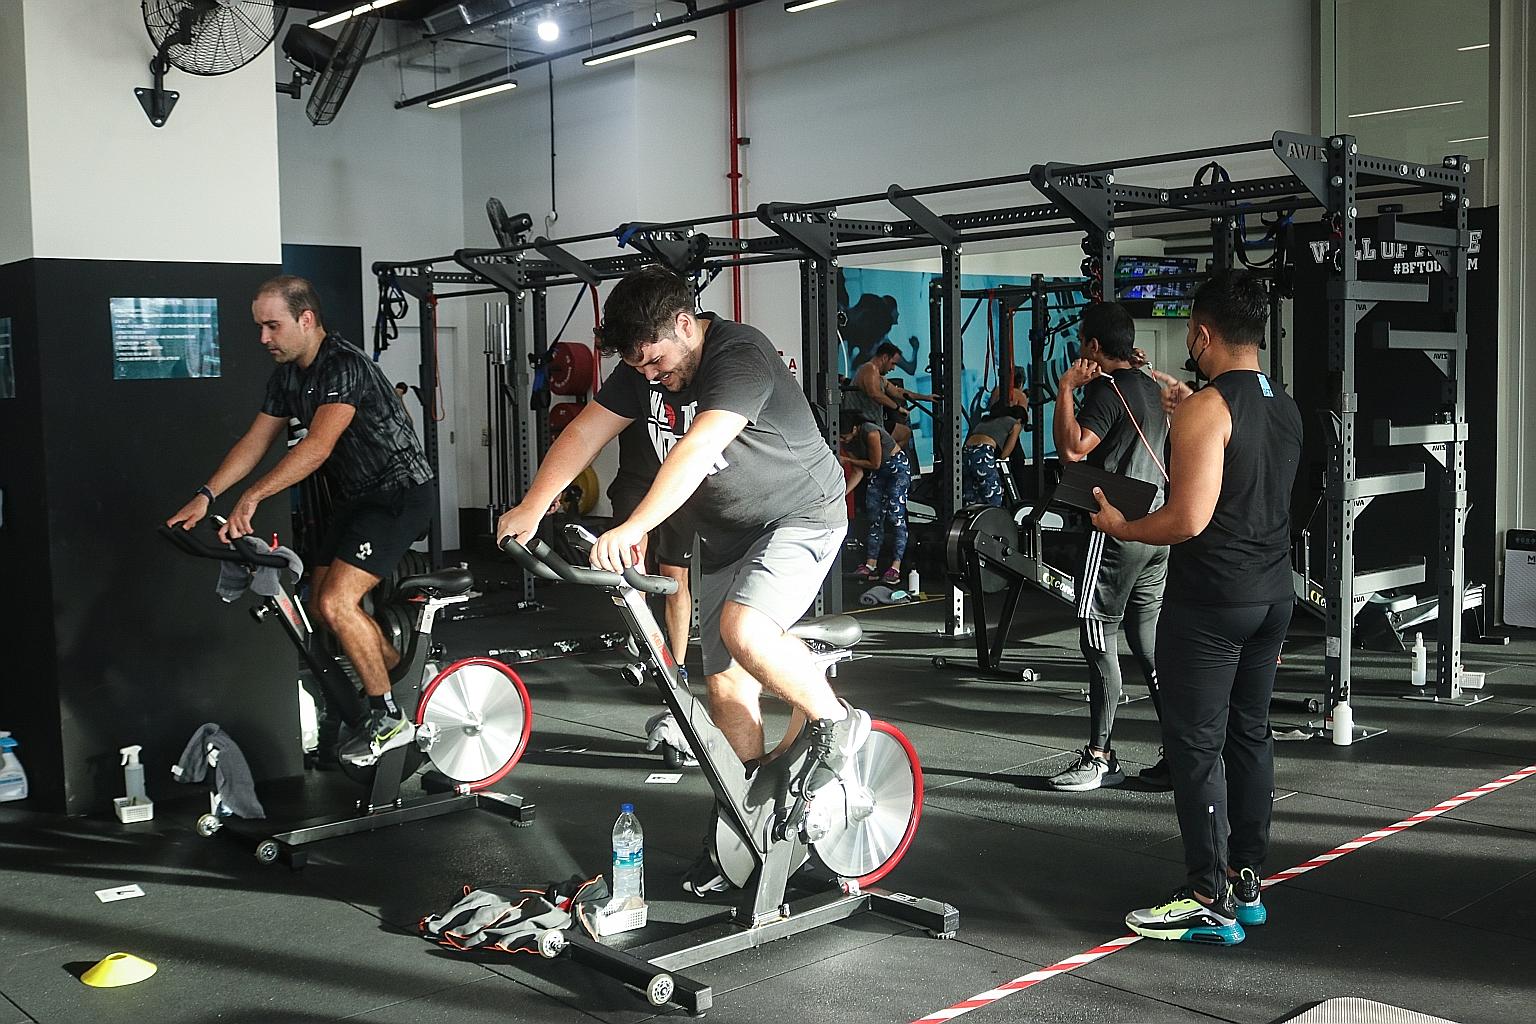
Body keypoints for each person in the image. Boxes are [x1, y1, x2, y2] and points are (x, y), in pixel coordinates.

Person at [496, 266, 870, 797]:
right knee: (723, 688)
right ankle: (754, 820)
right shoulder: (645, 366)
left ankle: (836, 724)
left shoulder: (740, 356)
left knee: (744, 631)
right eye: (638, 366)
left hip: (800, 514)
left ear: (685, 324)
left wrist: (633, 527)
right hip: (724, 534)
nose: (650, 375)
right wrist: (533, 506)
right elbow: (585, 431)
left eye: (655, 361)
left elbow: (697, 450)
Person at [1090, 271, 1302, 946]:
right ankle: (1246, 879)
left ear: (1202, 333)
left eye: (1190, 332)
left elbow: (1186, 519)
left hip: (1212, 602)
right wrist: (1193, 408)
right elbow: (1241, 467)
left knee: (1196, 746)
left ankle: (1207, 894)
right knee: (1250, 735)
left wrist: (1121, 527)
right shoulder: (1281, 402)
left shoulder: (1210, 408)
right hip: (1272, 596)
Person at [166, 275, 435, 766]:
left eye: (272, 326)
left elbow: (318, 446)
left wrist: (251, 498)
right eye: (260, 327)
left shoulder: (344, 366)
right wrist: (207, 495)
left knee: (336, 602)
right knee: (318, 602)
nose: (263, 338)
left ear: (306, 320)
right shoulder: (288, 376)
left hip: (398, 496)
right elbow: (254, 441)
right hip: (356, 499)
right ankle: (403, 684)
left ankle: (391, 715)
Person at [1048, 301, 1170, 792]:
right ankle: (1180, 752)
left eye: (1083, 340)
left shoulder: (1105, 390)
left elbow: (1075, 448)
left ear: (1094, 347)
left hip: (1116, 532)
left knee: (1097, 636)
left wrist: (1065, 389)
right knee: (1149, 643)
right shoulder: (1150, 386)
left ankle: (1100, 756)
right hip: (1157, 529)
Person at [608, 417, 695, 665]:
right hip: (634, 482)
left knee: (675, 577)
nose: (652, 374)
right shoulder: (629, 382)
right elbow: (591, 436)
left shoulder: (687, 383)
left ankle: (677, 668)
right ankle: (644, 640)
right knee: (633, 561)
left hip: (676, 483)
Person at [838, 415, 911, 584]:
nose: (842, 439)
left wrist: (848, 460)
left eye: (844, 436)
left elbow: (875, 463)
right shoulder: (849, 443)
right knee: (874, 517)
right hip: (878, 474)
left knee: (895, 517)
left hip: (896, 469)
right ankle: (871, 565)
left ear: (855, 429)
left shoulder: (870, 432)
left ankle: (896, 566)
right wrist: (843, 494)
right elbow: (858, 471)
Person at [848, 341, 937, 450]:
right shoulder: (869, 369)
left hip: (876, 423)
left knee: (905, 433)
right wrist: (898, 408)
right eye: (893, 363)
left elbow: (898, 392)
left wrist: (926, 397)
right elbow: (874, 394)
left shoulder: (879, 377)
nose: (893, 368)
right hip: (863, 425)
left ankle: (888, 460)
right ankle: (886, 461)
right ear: (885, 358)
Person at [961, 397, 1025, 507]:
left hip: (966, 453)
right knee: (994, 495)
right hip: (983, 452)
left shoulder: (987, 420)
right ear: (1020, 419)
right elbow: (1005, 453)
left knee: (971, 498)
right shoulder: (1016, 424)